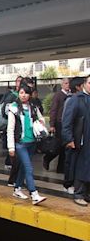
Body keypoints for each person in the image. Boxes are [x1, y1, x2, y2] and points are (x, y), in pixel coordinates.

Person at [7, 85, 46, 205]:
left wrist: (41, 122)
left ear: (30, 95)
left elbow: (41, 118)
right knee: (29, 167)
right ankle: (34, 194)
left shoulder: (33, 106)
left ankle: (17, 189)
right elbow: (10, 129)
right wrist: (11, 147)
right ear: (18, 94)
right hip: (20, 144)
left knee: (24, 168)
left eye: (26, 93)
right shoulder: (13, 108)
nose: (23, 95)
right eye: (21, 92)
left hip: (32, 142)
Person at [62, 75, 90, 206]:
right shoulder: (76, 99)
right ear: (84, 84)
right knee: (81, 167)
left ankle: (87, 194)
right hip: (81, 140)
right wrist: (69, 139)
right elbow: (67, 121)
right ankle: (78, 193)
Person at [44, 78, 70, 173]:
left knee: (64, 146)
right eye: (66, 83)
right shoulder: (58, 95)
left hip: (66, 123)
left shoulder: (70, 95)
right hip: (59, 123)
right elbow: (53, 110)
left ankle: (61, 168)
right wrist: (52, 124)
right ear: (62, 85)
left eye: (69, 83)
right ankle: (48, 158)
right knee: (59, 145)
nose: (68, 85)